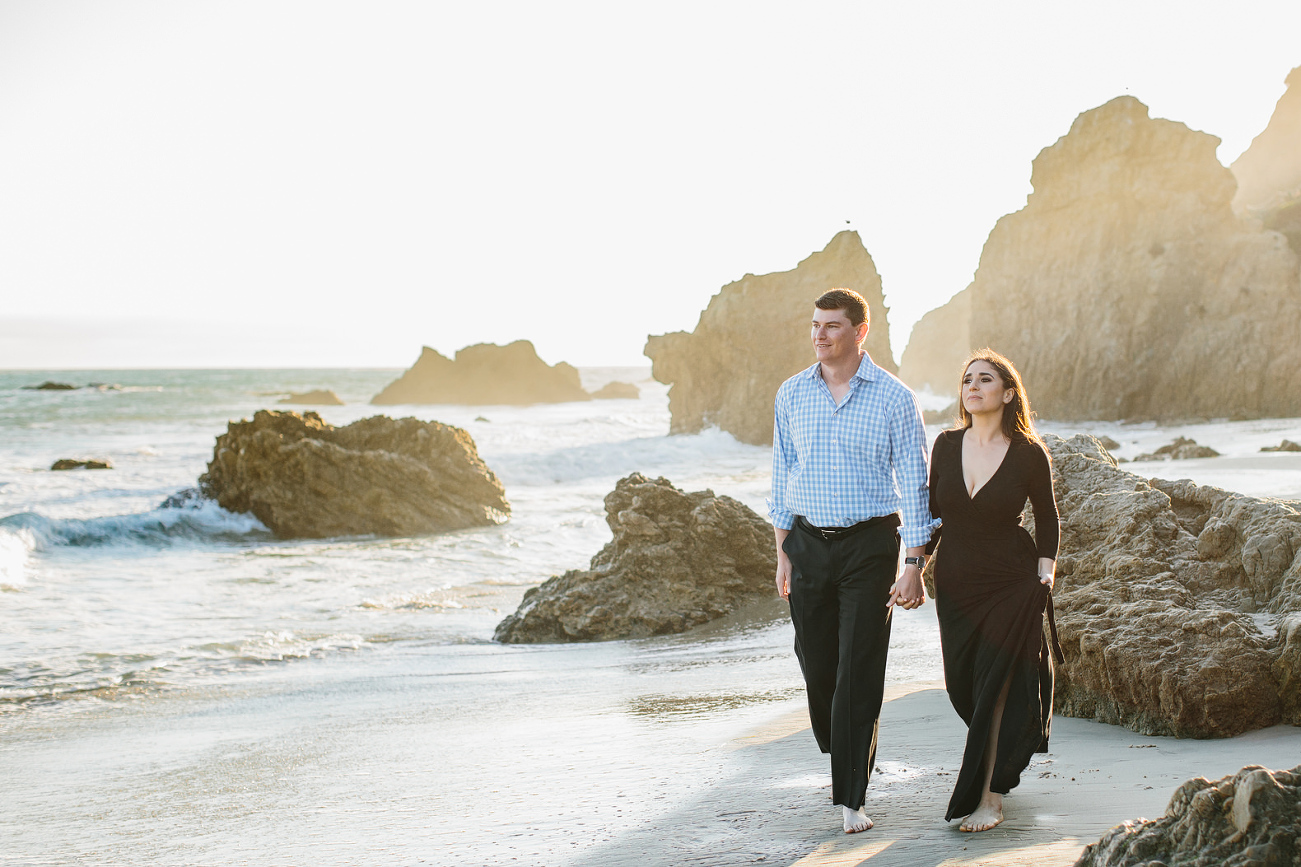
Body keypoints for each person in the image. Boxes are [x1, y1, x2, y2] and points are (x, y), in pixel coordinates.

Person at [768, 288, 937, 834]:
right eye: (815, 325)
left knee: (858, 668)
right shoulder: (791, 394)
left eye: (833, 326)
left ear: (860, 332)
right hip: (807, 544)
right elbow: (781, 478)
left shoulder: (893, 397)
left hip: (870, 545)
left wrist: (914, 562)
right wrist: (783, 553)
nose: (820, 335)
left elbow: (915, 484)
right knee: (818, 666)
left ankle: (851, 797)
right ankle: (841, 743)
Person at [925, 348, 1062, 832]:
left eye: (985, 379)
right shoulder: (944, 445)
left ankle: (989, 796)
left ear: (1008, 393)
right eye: (967, 380)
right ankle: (996, 762)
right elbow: (932, 516)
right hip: (957, 582)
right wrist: (912, 566)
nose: (973, 386)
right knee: (965, 685)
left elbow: (1047, 520)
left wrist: (1045, 574)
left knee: (997, 685)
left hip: (1011, 580)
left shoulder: (1028, 453)